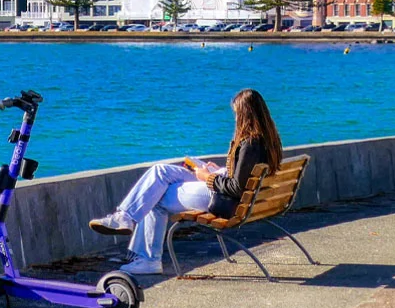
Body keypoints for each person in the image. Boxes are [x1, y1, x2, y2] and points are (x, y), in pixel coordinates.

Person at [88, 88, 283, 276]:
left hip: (223, 201)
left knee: (156, 194)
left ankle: (147, 257)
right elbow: (242, 177)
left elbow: (236, 188)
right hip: (231, 196)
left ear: (245, 115)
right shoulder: (267, 140)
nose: (235, 119)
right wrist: (220, 170)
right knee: (161, 171)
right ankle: (126, 220)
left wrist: (208, 177)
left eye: (236, 114)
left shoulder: (249, 143)